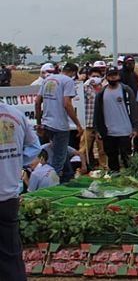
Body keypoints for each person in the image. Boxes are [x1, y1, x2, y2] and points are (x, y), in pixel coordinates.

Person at [0, 101, 37, 280]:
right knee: (11, 252)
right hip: (9, 194)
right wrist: (15, 163)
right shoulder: (16, 115)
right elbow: (35, 146)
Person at [34, 62, 83, 176]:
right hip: (60, 126)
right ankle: (53, 183)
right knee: (58, 160)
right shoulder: (68, 81)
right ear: (73, 72)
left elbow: (37, 102)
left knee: (49, 155)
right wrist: (78, 125)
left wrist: (39, 123)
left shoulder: (48, 79)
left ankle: (59, 177)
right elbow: (67, 104)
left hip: (46, 124)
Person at [94, 67, 138, 172]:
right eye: (110, 75)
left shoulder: (126, 90)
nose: (113, 77)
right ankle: (114, 175)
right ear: (106, 77)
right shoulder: (101, 93)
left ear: (119, 76)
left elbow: (133, 109)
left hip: (125, 130)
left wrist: (135, 127)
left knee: (126, 156)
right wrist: (97, 129)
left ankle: (129, 175)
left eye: (115, 75)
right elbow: (97, 112)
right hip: (108, 131)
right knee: (111, 155)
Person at [81, 67, 108, 171]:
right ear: (88, 77)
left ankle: (104, 168)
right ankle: (83, 167)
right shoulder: (85, 87)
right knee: (85, 148)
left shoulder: (104, 87)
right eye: (93, 76)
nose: (95, 78)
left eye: (97, 76)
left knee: (102, 149)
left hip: (101, 124)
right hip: (88, 123)